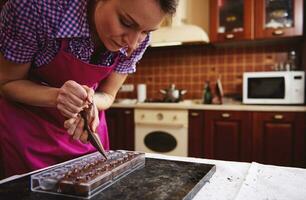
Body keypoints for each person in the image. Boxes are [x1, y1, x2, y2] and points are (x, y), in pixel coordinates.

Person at [0, 0, 178, 178]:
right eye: (126, 22)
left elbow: (108, 95)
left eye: (146, 31)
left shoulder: (139, 39)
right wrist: (57, 96)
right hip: (29, 134)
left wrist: (89, 102)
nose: (132, 44)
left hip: (85, 133)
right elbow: (7, 83)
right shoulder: (34, 9)